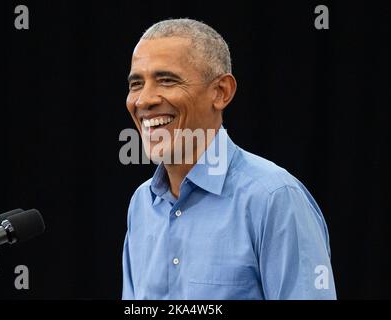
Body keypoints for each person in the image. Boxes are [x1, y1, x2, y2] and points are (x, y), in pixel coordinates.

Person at [122, 18, 336, 299]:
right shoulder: (142, 204)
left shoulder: (274, 198)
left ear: (221, 92)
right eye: (136, 84)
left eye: (167, 80)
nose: (143, 100)